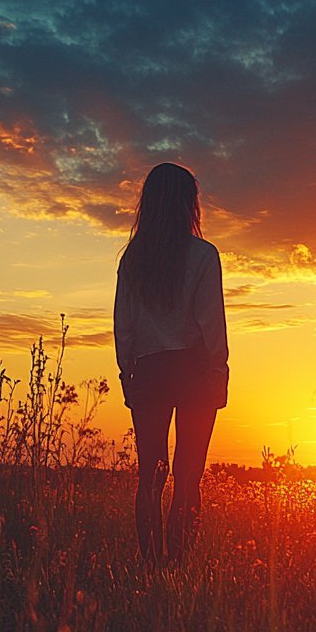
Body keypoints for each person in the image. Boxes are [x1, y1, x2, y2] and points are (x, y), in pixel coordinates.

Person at [114, 162, 228, 564]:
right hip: (194, 370)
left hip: (147, 370)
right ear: (186, 204)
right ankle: (177, 567)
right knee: (187, 476)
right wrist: (220, 372)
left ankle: (151, 568)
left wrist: (126, 373)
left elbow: (122, 323)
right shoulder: (202, 255)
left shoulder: (133, 258)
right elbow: (211, 321)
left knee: (150, 477)